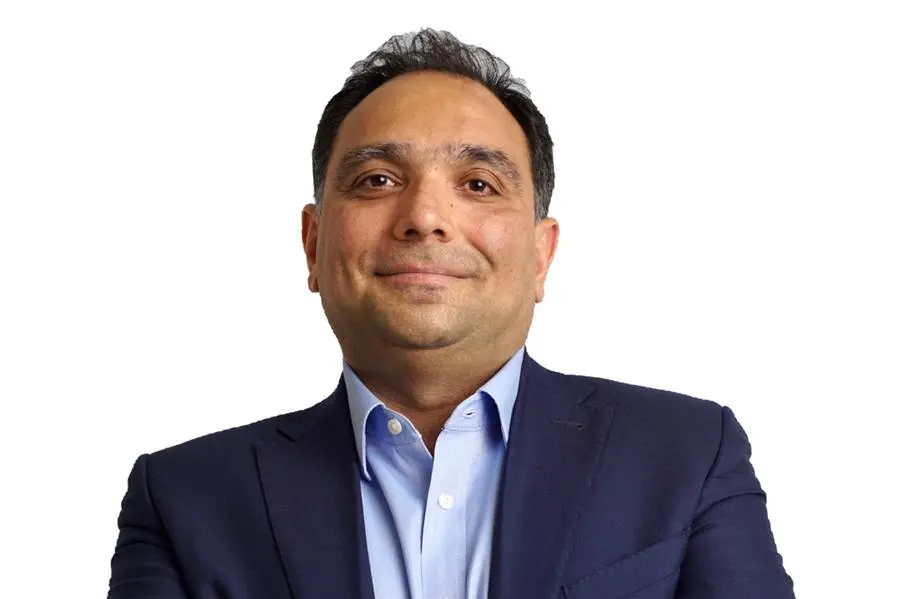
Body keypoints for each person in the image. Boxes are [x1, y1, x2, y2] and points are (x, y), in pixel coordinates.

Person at [107, 28, 794, 599]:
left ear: (541, 255)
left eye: (478, 184)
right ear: (314, 245)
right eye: (378, 179)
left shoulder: (688, 457)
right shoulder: (183, 499)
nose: (425, 217)